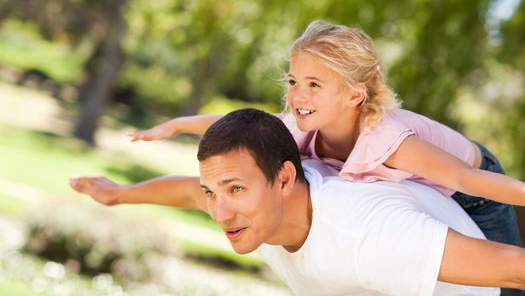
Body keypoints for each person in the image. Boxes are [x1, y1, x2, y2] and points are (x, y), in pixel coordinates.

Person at [127, 21, 523, 265]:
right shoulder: (300, 126)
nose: (298, 96)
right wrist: (177, 126)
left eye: (315, 85)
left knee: (509, 278)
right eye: (294, 82)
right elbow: (238, 130)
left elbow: (469, 179)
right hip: (424, 190)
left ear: (355, 95)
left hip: (476, 192)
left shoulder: (387, 138)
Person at [71, 108, 525, 295]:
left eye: (235, 190)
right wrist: (119, 196)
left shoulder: (365, 231)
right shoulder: (260, 207)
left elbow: (514, 267)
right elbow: (189, 190)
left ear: (285, 178)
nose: (220, 212)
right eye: (215, 193)